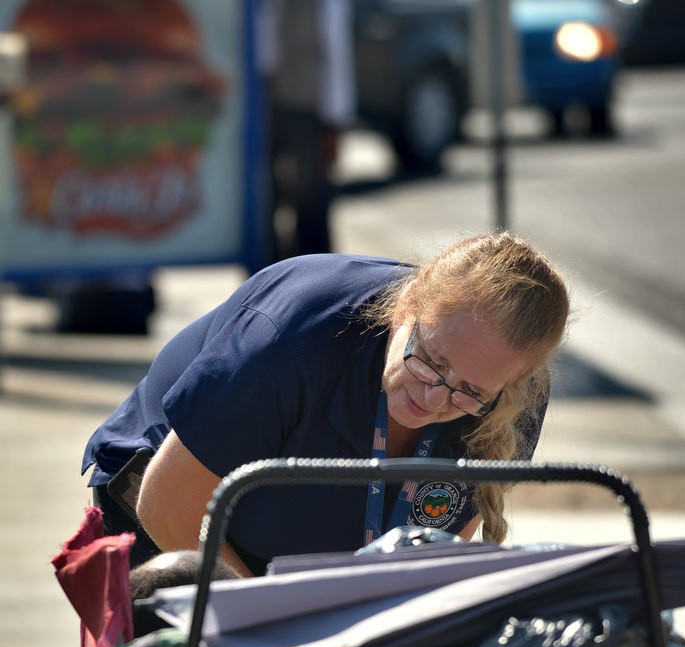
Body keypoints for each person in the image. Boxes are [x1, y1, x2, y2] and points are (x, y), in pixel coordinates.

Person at [82, 232, 570, 577]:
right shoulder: (289, 338)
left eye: (471, 392)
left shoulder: (513, 397)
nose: (434, 397)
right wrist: (277, 629)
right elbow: (167, 504)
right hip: (167, 519)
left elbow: (432, 548)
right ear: (408, 306)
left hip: (311, 554)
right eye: (430, 361)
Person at [256, 0, 356, 263]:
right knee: (260, 199)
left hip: (305, 104)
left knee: (311, 199)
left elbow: (335, 49)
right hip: (257, 105)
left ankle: (314, 278)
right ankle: (265, 278)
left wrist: (335, 119)